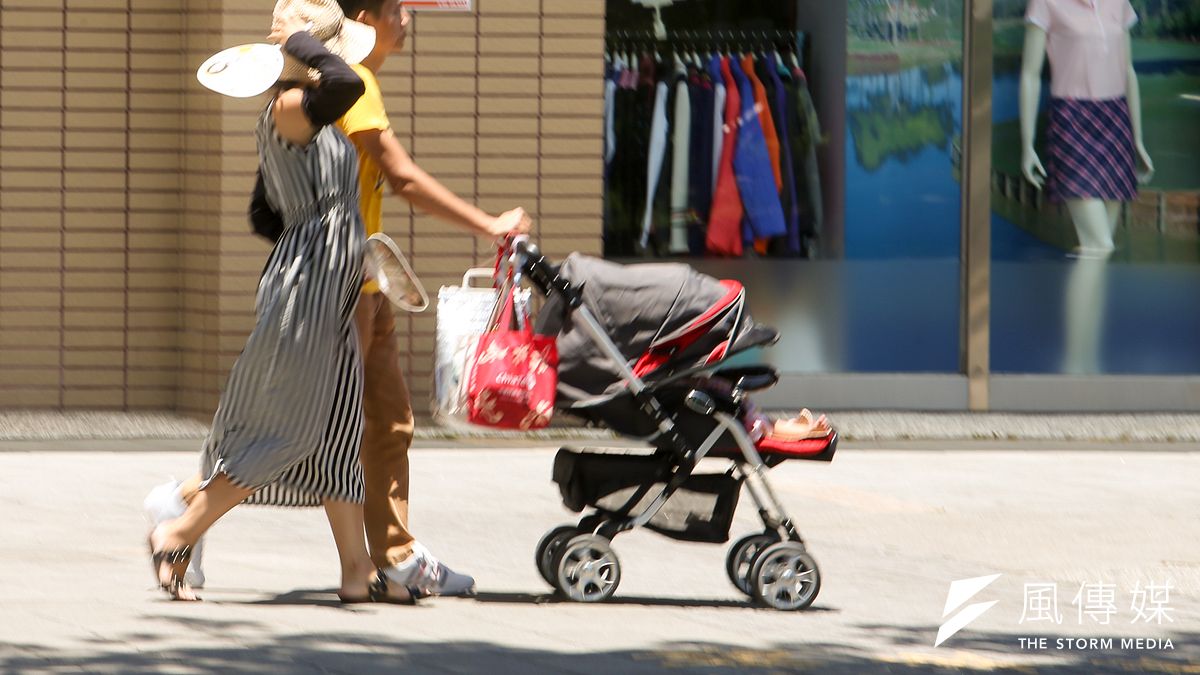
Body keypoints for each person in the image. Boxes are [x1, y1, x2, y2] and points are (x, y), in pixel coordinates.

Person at [147, 0, 409, 603]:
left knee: (340, 431)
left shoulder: (304, 117)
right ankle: (177, 529)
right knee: (284, 428)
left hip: (331, 286)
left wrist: (327, 241)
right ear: (310, 57)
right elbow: (342, 81)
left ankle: (355, 570)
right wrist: (301, 44)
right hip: (311, 291)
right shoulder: (293, 106)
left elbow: (263, 211)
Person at [329, 0, 530, 598]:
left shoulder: (340, 83)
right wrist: (491, 225)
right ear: (366, 16)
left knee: (386, 422)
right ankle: (187, 511)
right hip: (346, 286)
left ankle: (394, 558)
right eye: (399, 8)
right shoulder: (355, 82)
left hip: (366, 281)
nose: (408, 17)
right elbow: (403, 177)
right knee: (321, 428)